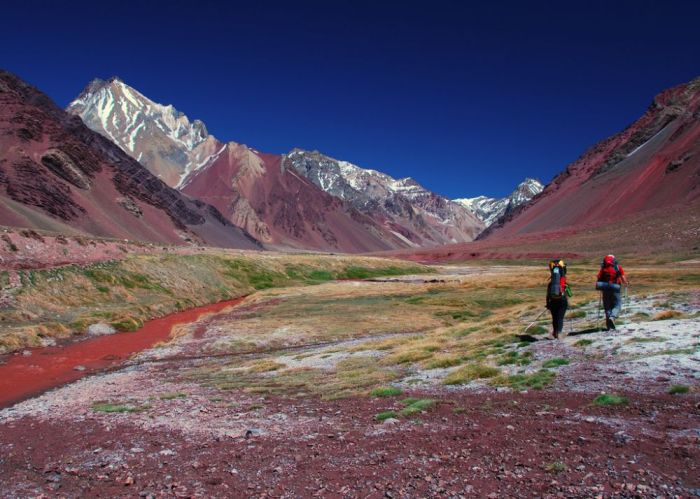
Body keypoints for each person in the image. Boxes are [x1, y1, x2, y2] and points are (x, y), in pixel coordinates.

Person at [596, 254, 629, 330]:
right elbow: (623, 277)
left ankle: (608, 326)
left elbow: (599, 278)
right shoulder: (617, 267)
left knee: (607, 306)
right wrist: (626, 283)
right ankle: (612, 317)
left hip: (605, 289)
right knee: (617, 305)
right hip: (615, 288)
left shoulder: (603, 268)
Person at [546, 259, 570, 338]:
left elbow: (548, 295)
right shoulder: (564, 282)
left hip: (552, 301)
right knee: (560, 318)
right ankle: (559, 333)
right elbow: (568, 294)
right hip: (562, 301)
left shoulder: (551, 283)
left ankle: (555, 332)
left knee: (554, 318)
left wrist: (547, 304)